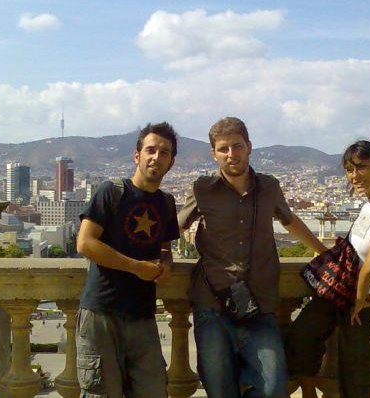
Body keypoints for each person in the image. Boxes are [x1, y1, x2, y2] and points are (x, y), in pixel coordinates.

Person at [178, 117, 327, 398]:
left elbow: (290, 221)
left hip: (259, 303)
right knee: (219, 388)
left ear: (249, 147)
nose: (231, 154)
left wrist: (325, 253)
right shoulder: (202, 189)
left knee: (272, 388)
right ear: (214, 154)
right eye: (223, 149)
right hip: (212, 303)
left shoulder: (269, 187)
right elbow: (175, 227)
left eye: (237, 146)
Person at [286, 140, 370, 398]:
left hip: (364, 305)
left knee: (356, 380)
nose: (354, 176)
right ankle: (309, 392)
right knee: (301, 337)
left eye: (361, 167)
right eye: (349, 170)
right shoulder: (367, 206)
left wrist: (359, 301)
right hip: (340, 298)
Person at [76, 122, 180, 398]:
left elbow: (165, 248)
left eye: (164, 152)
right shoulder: (110, 192)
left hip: (143, 315)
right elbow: (85, 242)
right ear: (137, 156)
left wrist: (166, 264)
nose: (156, 157)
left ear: (171, 161)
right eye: (150, 150)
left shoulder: (167, 204)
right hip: (102, 312)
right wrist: (135, 267)